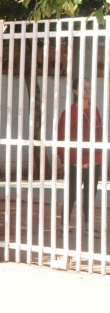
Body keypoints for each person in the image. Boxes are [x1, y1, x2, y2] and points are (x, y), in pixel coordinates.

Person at [57, 78, 102, 237]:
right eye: (84, 88)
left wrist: (100, 155)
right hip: (76, 161)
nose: (87, 91)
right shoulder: (70, 112)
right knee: (71, 194)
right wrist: (65, 159)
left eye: (89, 88)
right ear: (75, 91)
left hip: (95, 159)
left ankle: (88, 226)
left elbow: (99, 131)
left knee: (91, 194)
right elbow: (61, 137)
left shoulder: (95, 110)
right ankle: (64, 226)